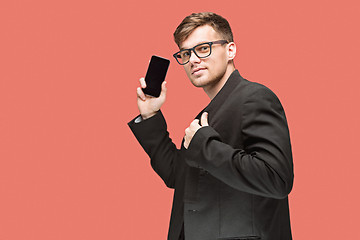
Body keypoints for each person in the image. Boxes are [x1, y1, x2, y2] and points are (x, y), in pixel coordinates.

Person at [128, 12, 294, 240]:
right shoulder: (208, 115)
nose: (193, 59)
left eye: (203, 48)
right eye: (185, 53)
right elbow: (178, 175)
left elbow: (276, 178)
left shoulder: (254, 97)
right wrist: (150, 115)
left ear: (230, 50)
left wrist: (205, 144)